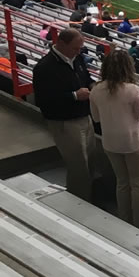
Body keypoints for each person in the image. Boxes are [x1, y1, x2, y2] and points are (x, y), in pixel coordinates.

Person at [90, 48, 139, 231]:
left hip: (110, 141)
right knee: (138, 184)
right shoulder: (132, 90)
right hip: (132, 141)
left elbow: (96, 118)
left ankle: (125, 221)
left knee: (122, 182)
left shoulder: (96, 90)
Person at [32, 28, 96, 200]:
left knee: (90, 161)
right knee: (78, 166)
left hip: (84, 117)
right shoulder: (44, 68)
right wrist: (75, 96)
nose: (78, 51)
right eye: (75, 48)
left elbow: (87, 79)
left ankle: (86, 198)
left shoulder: (77, 59)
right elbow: (44, 101)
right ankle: (80, 203)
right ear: (61, 44)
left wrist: (93, 86)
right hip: (64, 122)